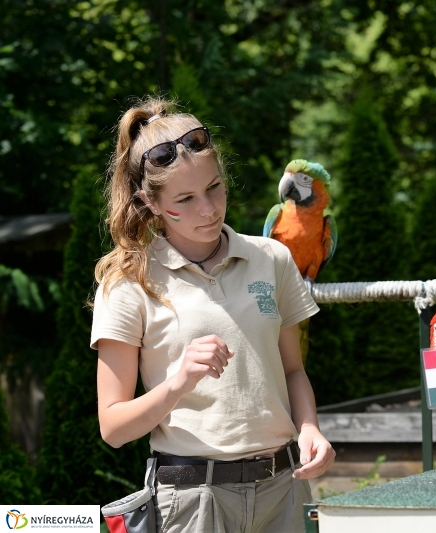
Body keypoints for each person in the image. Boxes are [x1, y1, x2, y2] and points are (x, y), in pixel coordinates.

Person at [91, 96, 335, 532]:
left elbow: (293, 371)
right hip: (192, 500)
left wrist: (310, 428)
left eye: (214, 187)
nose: (208, 208)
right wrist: (179, 381)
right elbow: (113, 427)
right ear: (149, 201)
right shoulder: (129, 282)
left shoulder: (272, 258)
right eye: (185, 197)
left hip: (284, 489)